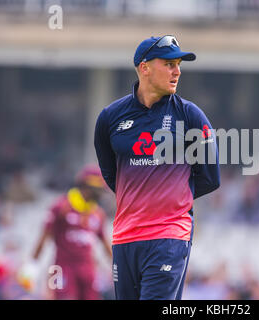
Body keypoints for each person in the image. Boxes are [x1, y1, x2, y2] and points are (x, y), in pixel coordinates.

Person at [94, 35, 220, 300]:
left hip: (169, 235)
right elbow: (110, 174)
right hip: (124, 238)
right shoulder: (110, 117)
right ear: (145, 67)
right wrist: (141, 196)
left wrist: (167, 198)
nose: (177, 71)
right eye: (169, 64)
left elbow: (210, 176)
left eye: (178, 65)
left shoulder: (190, 116)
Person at [32, 165, 112, 300]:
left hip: (88, 270)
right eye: (97, 190)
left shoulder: (98, 213)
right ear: (86, 186)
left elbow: (105, 244)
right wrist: (32, 264)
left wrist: (117, 266)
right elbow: (44, 236)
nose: (99, 194)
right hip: (62, 267)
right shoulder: (61, 207)